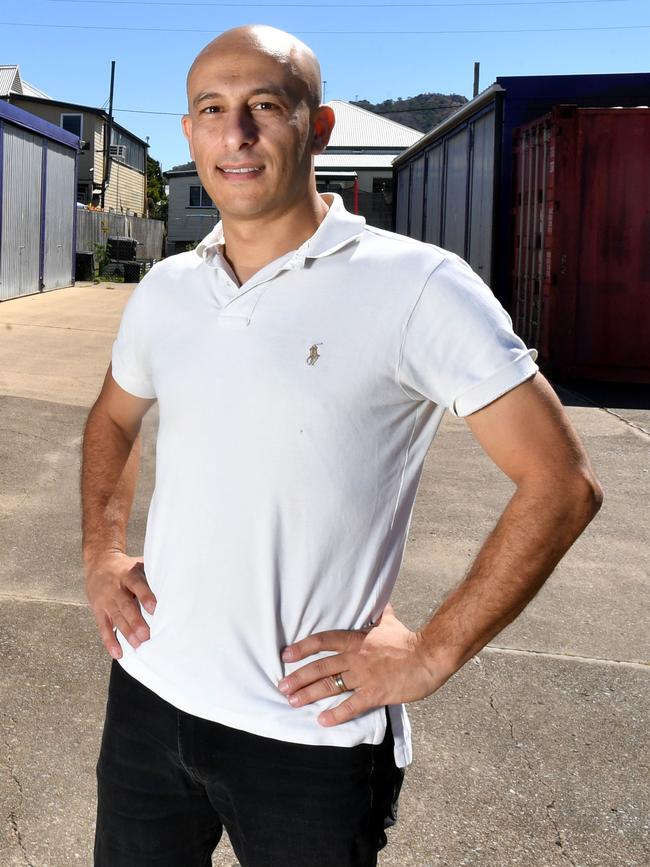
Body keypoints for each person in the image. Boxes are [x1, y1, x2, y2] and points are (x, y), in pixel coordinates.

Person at [81, 23, 603, 867]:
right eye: (212, 109)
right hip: (147, 697)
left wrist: (433, 652)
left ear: (316, 128)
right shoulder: (168, 287)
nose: (236, 134)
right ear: (189, 133)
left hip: (307, 737)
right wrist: (101, 551)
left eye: (264, 107)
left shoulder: (418, 286)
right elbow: (112, 418)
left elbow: (563, 482)